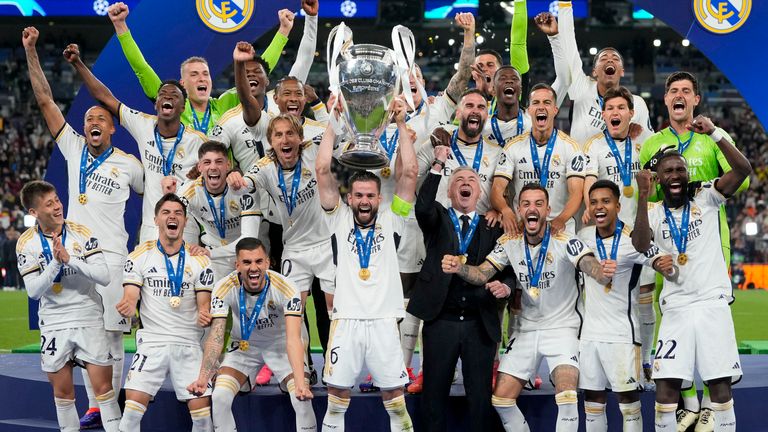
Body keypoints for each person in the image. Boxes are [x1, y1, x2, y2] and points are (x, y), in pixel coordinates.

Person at [23, 26, 145, 428]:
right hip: (74, 254)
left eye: (100, 118)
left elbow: (160, 195)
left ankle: (113, 404)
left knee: (112, 334)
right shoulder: (74, 148)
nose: (92, 121)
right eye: (89, 117)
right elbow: (44, 100)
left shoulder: (130, 164)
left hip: (112, 256)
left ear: (112, 129)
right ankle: (97, 405)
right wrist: (31, 51)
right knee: (92, 337)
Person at [443, 182, 613, 432]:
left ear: (548, 210)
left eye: (538, 204)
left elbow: (589, 265)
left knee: (566, 395)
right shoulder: (508, 241)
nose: (532, 209)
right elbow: (481, 274)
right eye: (526, 204)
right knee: (501, 400)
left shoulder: (566, 240)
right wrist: (459, 268)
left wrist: (602, 272)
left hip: (563, 328)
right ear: (519, 209)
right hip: (525, 330)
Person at [638, 71, 749, 429]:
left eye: (687, 90)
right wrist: (641, 197)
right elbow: (641, 239)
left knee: (719, 381)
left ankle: (706, 415)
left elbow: (742, 171)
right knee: (668, 378)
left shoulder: (706, 194)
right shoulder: (652, 149)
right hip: (674, 293)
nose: (674, 174)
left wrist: (714, 131)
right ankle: (688, 410)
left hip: (711, 285)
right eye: (673, 90)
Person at [315, 98, 417, 431]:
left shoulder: (393, 220)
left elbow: (410, 174)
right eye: (358, 195)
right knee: (335, 399)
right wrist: (333, 118)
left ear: (378, 198)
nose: (363, 201)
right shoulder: (338, 218)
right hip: (345, 321)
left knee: (396, 401)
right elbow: (321, 170)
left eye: (370, 196)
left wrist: (402, 124)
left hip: (385, 321)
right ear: (349, 198)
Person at [409, 151, 514, 431]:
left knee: (480, 399)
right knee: (433, 397)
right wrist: (438, 165)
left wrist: (506, 286)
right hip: (440, 320)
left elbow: (509, 266)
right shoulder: (438, 219)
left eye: (471, 180)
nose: (465, 183)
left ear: (478, 191)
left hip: (479, 323)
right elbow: (422, 207)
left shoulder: (492, 225)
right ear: (450, 190)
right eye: (458, 180)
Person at [227, 114, 335, 384]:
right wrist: (237, 180)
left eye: (290, 134)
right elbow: (247, 183)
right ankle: (303, 368)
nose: (285, 140)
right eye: (278, 135)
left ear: (300, 137)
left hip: (325, 245)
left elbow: (340, 140)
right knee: (293, 312)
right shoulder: (264, 167)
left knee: (334, 310)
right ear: (270, 141)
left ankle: (334, 366)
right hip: (294, 250)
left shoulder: (314, 152)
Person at [66, 43, 207, 242]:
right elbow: (105, 98)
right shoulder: (143, 124)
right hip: (152, 225)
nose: (167, 97)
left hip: (187, 225)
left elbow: (218, 168)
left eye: (174, 96)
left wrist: (202, 172)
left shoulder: (198, 142)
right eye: (162, 95)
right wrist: (78, 63)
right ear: (156, 104)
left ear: (183, 107)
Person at [17, 180, 121, 432]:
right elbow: (33, 291)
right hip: (54, 322)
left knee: (104, 390)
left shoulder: (82, 232)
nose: (57, 207)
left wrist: (69, 259)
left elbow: (104, 275)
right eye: (49, 203)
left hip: (88, 315)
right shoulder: (25, 243)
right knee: (63, 395)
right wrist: (55, 263)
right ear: (34, 213)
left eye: (57, 200)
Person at [106, 1, 297, 133]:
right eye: (195, 74)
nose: (202, 78)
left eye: (205, 74)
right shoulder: (174, 104)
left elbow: (258, 74)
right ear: (182, 83)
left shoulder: (225, 104)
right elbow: (142, 68)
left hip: (222, 187)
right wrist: (121, 26)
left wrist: (284, 31)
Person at [187, 237, 315, 431]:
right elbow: (216, 336)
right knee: (219, 396)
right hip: (244, 347)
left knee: (301, 400)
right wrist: (203, 378)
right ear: (237, 265)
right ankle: (247, 380)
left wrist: (300, 383)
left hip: (281, 346)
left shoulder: (287, 288)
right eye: (246, 262)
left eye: (258, 261)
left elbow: (293, 339)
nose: (253, 268)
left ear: (268, 262)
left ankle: (285, 382)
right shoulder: (223, 287)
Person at [577, 180, 675, 431]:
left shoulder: (632, 240)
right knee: (592, 402)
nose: (600, 207)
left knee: (628, 403)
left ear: (618, 206)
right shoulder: (584, 236)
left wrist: (663, 264)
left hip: (622, 335)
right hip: (589, 335)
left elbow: (657, 258)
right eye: (594, 202)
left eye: (606, 201)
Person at [116, 194, 215, 431]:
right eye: (166, 213)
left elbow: (204, 304)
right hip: (153, 342)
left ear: (186, 222)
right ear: (156, 219)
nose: (172, 217)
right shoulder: (139, 256)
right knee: (129, 415)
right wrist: (129, 305)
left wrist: (204, 313)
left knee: (202, 419)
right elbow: (131, 294)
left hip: (189, 342)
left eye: (178, 213)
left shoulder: (200, 261)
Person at [581, 87, 657, 388]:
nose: (615, 113)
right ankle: (597, 360)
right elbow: (589, 183)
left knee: (645, 300)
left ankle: (646, 360)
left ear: (631, 113)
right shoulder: (593, 146)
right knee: (608, 300)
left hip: (639, 234)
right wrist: (590, 207)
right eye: (609, 108)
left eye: (620, 108)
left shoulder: (646, 142)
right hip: (606, 237)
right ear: (603, 115)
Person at [492, 84, 587, 235]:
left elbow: (576, 193)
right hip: (521, 226)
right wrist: (505, 210)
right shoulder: (512, 147)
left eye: (547, 103)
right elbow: (497, 188)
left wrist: (561, 219)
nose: (541, 107)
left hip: (559, 228)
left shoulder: (571, 148)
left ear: (555, 110)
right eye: (536, 103)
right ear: (529, 110)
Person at [554, 1, 653, 145]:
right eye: (604, 59)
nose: (610, 61)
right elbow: (569, 44)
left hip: (621, 167)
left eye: (615, 59)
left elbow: (649, 142)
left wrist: (641, 132)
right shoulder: (581, 87)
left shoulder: (637, 103)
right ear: (594, 71)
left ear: (622, 71)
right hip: (583, 167)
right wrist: (564, 5)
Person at [177, 141, 262, 278]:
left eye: (219, 162)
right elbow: (170, 217)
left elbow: (249, 238)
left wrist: (211, 253)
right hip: (212, 257)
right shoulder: (188, 191)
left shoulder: (244, 188)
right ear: (199, 167)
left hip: (246, 253)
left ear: (228, 165)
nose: (213, 167)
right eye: (207, 162)